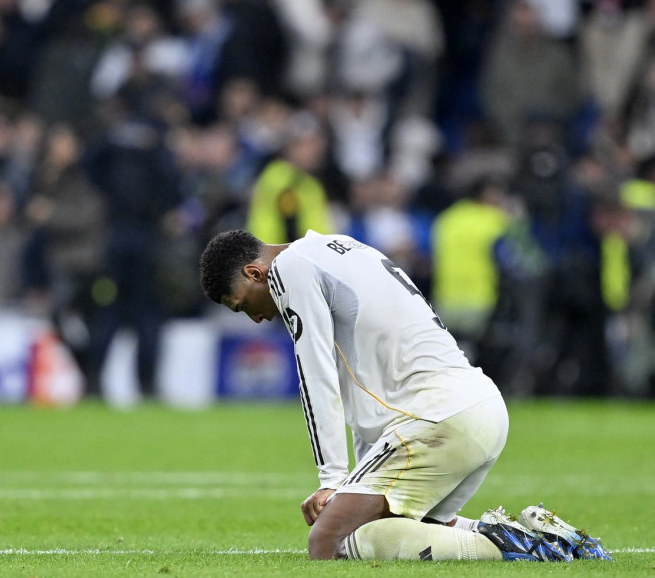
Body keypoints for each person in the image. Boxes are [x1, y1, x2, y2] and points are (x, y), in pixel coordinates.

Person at [197, 229, 610, 562]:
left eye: (242, 306)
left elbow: (315, 372)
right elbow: (365, 390)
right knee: (414, 530)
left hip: (438, 417)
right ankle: (541, 534)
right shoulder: (339, 247)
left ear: (255, 274)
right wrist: (353, 486)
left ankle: (521, 551)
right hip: (475, 407)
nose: (255, 317)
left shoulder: (287, 269)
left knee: (329, 542)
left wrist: (332, 481)